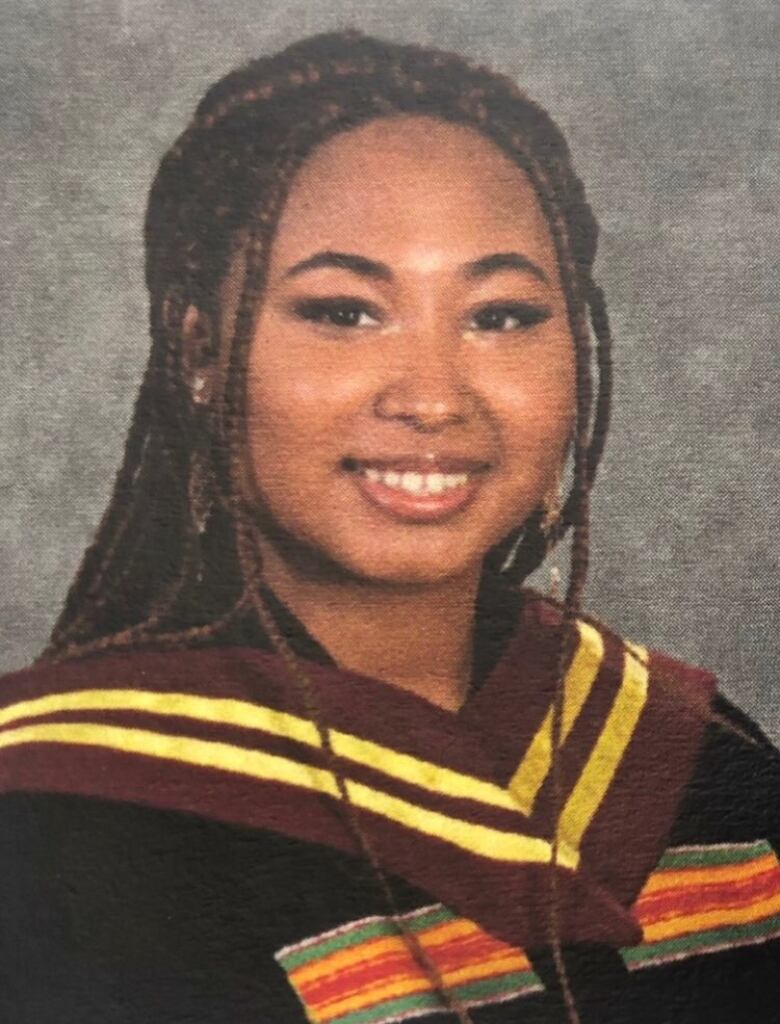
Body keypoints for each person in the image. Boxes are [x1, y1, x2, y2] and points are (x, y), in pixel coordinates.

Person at [0, 29, 777, 1024]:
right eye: (343, 311)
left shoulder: (705, 765)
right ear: (199, 350)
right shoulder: (60, 816)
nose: (432, 398)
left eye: (501, 316)